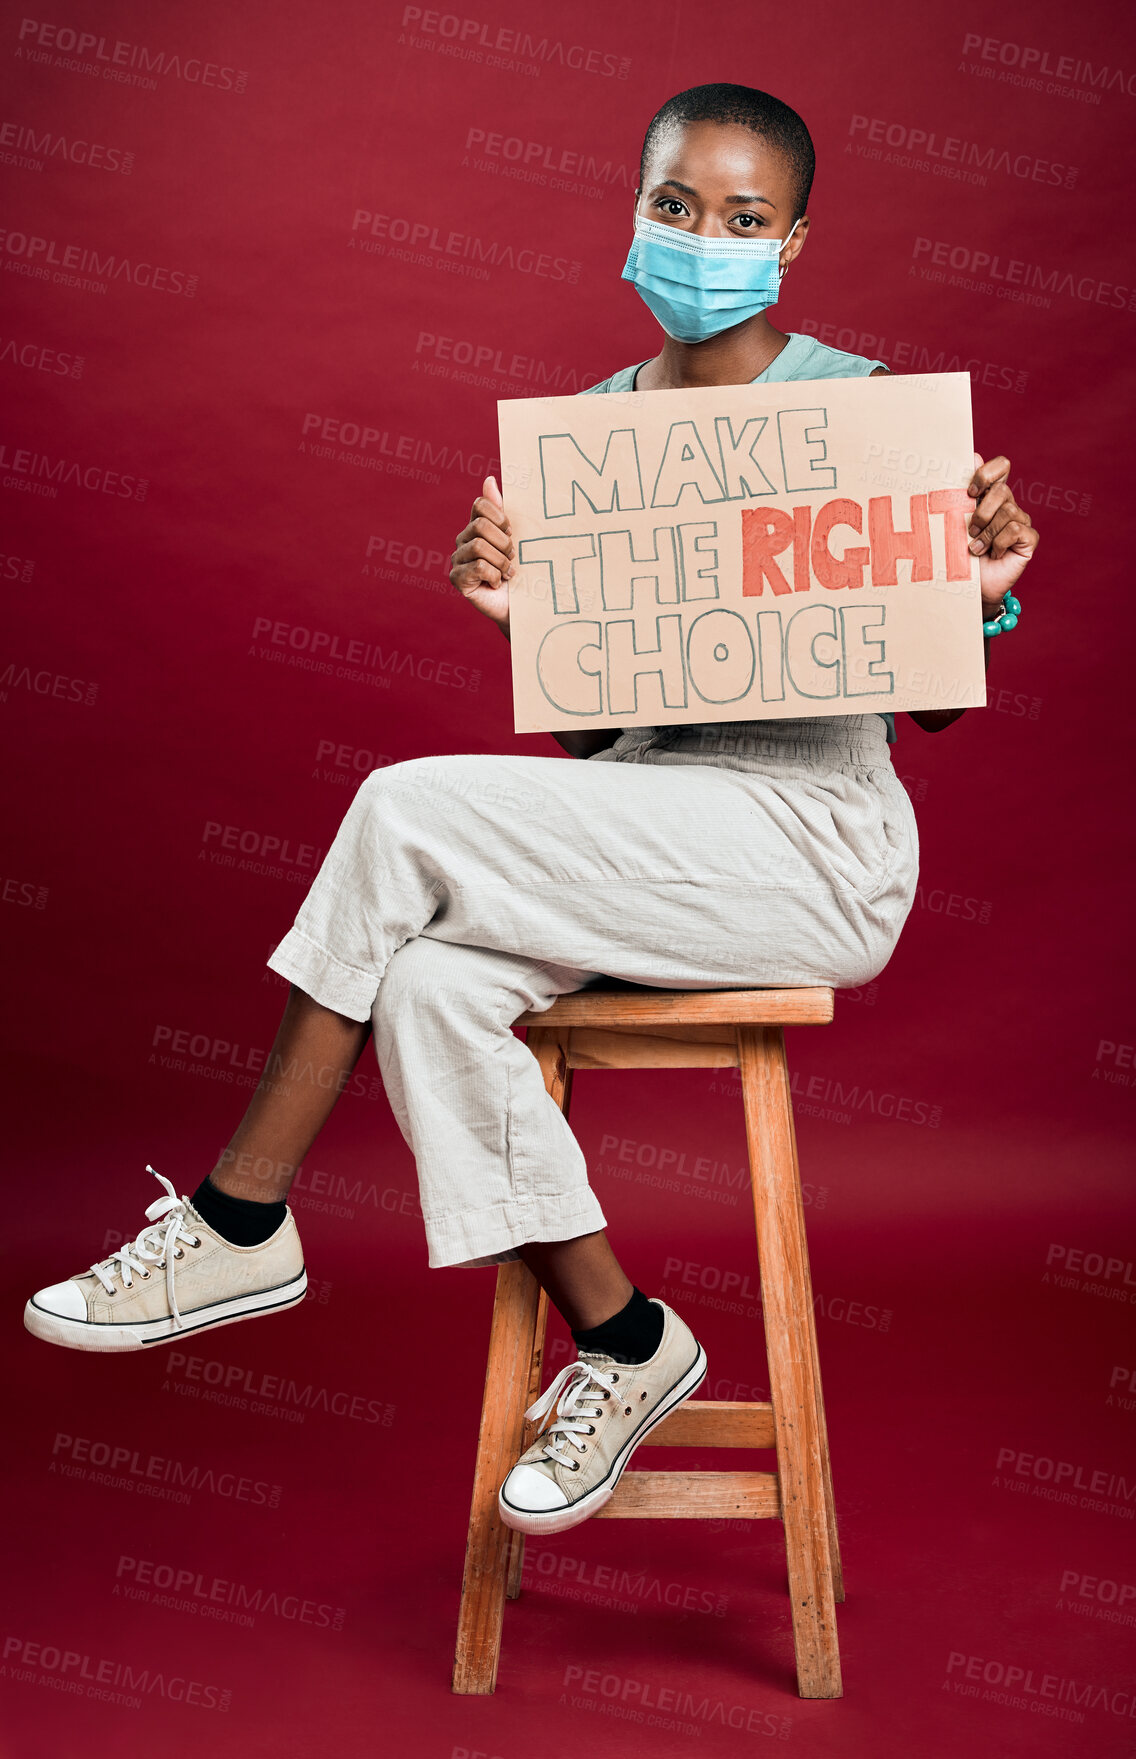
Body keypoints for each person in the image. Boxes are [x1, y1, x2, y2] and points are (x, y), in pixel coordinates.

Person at [23, 84, 1038, 1537]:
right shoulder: (595, 432)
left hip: (813, 844)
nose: (707, 239)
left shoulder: (864, 411)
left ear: (794, 239)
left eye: (746, 219)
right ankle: (631, 1346)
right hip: (648, 825)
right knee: (431, 984)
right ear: (635, 211)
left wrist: (979, 597)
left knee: (401, 807)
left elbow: (924, 702)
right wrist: (519, 620)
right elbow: (608, 728)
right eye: (678, 207)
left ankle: (239, 1220)